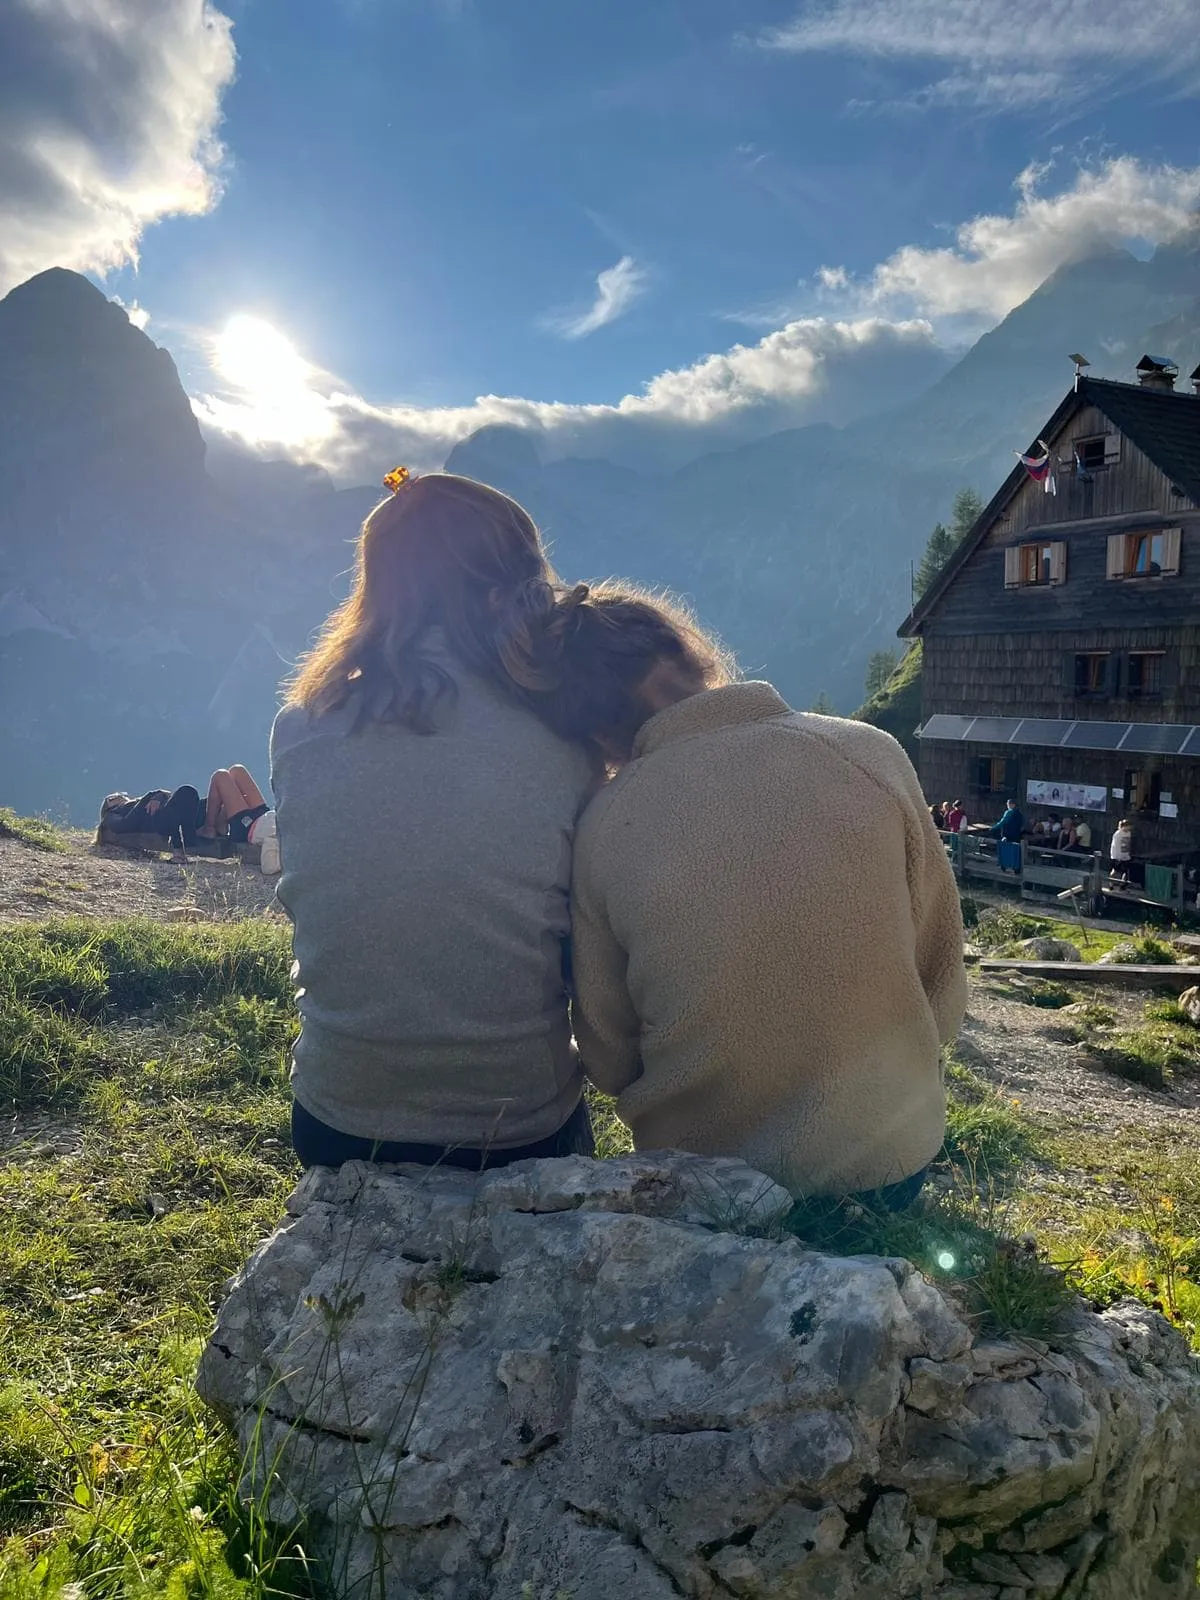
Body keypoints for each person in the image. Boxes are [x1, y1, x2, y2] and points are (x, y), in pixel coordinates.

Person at [537, 583, 967, 1205]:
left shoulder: (604, 823)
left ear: (595, 733)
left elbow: (607, 1056)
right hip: (890, 1163)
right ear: (692, 654)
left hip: (702, 1179)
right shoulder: (872, 754)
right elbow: (941, 977)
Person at [272, 469, 597, 1172]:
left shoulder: (300, 727)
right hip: (518, 1129)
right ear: (502, 593)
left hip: (338, 1118)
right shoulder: (566, 740)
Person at [989, 797, 1025, 872]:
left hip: (1007, 834)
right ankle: (1016, 868)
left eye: (1008, 804)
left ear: (1012, 805)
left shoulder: (1009, 812)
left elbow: (1002, 822)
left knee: (1005, 850)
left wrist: (993, 828)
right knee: (1015, 851)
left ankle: (1004, 866)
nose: (1007, 806)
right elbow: (1021, 824)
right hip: (1016, 835)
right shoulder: (1020, 814)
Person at [1110, 817, 1133, 882]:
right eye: (1129, 826)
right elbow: (1115, 846)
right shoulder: (1118, 834)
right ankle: (1110, 884)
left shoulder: (1128, 833)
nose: (1130, 828)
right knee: (1115, 870)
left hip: (1125, 855)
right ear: (1125, 826)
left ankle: (1122, 885)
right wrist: (1117, 857)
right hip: (1117, 855)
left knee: (1126, 871)